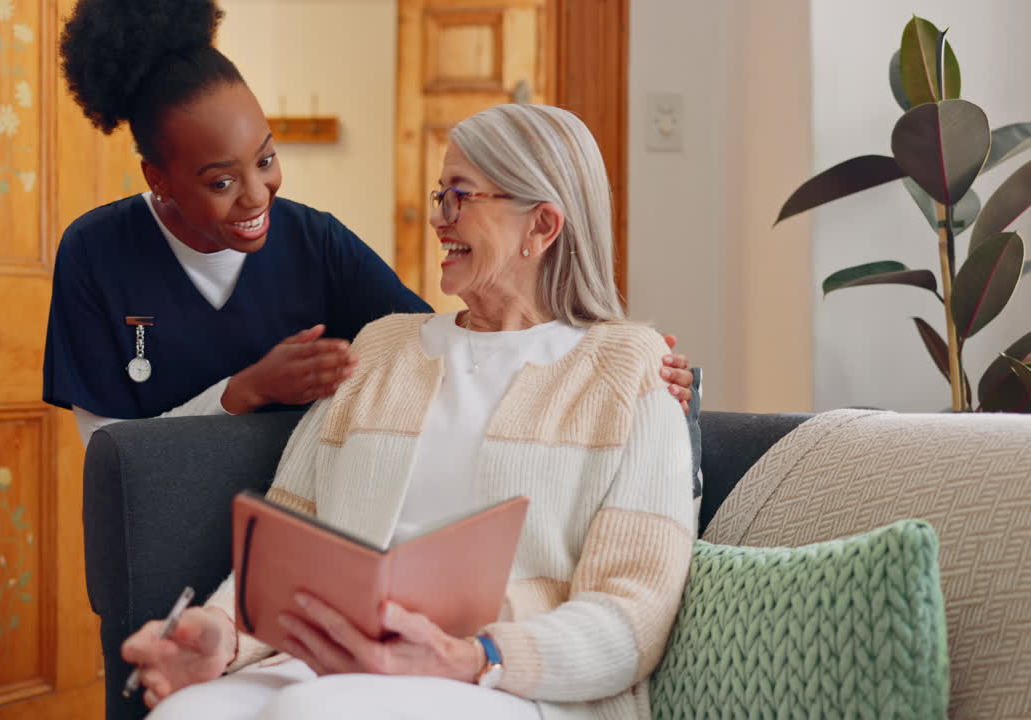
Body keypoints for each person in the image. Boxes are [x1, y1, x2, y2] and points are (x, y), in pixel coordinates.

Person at [122, 103, 697, 720]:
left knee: (315, 713)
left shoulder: (632, 369)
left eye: (460, 196)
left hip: (508, 682)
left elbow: (633, 616)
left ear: (542, 224)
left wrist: (471, 656)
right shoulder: (381, 347)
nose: (437, 217)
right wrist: (222, 635)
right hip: (327, 665)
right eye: (438, 194)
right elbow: (290, 547)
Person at [43, 0, 695, 446]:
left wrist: (617, 363)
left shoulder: (315, 242)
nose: (257, 195)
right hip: (155, 528)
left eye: (266, 159)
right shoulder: (96, 253)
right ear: (158, 177)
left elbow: (452, 349)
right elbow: (109, 450)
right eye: (221, 181)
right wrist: (242, 392)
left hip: (295, 514)